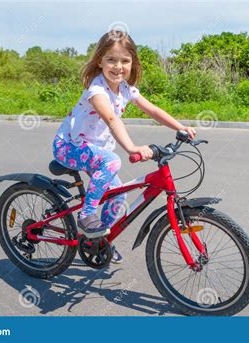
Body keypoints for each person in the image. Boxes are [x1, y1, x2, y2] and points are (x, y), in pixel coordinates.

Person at [52, 30, 196, 263]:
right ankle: (87, 215)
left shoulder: (127, 89)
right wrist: (132, 148)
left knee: (118, 200)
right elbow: (111, 119)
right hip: (69, 146)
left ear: (133, 63)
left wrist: (180, 127)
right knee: (112, 161)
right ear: (99, 61)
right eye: (111, 59)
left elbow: (152, 110)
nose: (118, 66)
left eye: (125, 61)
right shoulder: (96, 90)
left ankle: (100, 241)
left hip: (95, 151)